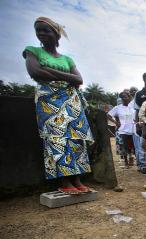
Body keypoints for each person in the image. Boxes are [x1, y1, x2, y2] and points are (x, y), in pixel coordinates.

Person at [23, 17, 94, 194]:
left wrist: (49, 72)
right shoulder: (32, 51)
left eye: (45, 30)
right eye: (38, 30)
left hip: (71, 100)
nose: (41, 33)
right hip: (49, 100)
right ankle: (64, 181)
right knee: (56, 139)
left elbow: (79, 79)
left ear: (56, 34)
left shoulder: (67, 59)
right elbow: (34, 71)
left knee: (77, 138)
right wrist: (65, 76)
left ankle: (77, 179)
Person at [108, 91, 135, 168]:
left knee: (131, 146)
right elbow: (108, 115)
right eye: (123, 97)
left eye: (126, 96)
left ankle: (131, 158)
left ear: (129, 97)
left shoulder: (132, 106)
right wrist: (116, 122)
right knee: (124, 146)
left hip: (133, 129)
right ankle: (126, 162)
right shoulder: (118, 108)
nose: (124, 98)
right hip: (123, 130)